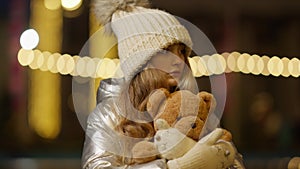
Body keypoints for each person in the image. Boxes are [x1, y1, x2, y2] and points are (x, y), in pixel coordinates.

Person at [82, 0, 244, 168]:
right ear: (141, 61)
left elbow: (235, 162)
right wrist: (176, 166)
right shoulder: (109, 114)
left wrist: (220, 157)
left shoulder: (194, 106)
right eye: (165, 51)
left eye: (181, 51)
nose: (178, 61)